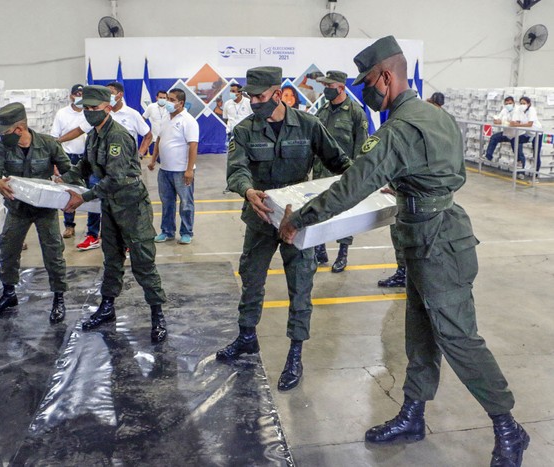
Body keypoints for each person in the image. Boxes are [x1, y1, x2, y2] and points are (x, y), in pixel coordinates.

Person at [278, 36, 528, 466]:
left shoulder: (397, 130)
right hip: (434, 235)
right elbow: (450, 175)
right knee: (420, 333)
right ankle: (413, 412)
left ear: (386, 77)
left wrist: (298, 218)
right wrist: (413, 187)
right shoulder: (436, 116)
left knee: (458, 338)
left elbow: (352, 187)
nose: (364, 91)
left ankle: (508, 426)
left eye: (367, 82)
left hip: (437, 245)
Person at [217, 66, 351, 392]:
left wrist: (370, 183)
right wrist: (248, 191)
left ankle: (295, 354)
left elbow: (340, 163)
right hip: (261, 220)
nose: (253, 103)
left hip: (298, 221)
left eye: (260, 97)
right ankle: (247, 337)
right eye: (250, 97)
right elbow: (236, 171)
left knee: (301, 287)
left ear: (278, 94)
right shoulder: (244, 130)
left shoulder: (309, 125)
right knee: (251, 278)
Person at [62, 85, 167, 343]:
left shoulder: (117, 136)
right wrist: (63, 180)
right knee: (112, 259)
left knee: (143, 263)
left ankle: (157, 315)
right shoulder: (94, 135)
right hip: (110, 206)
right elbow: (85, 165)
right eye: (85, 108)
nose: (88, 113)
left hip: (132, 208)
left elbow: (117, 178)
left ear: (107, 108)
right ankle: (107, 307)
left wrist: (82, 198)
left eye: (93, 108)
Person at [0, 102, 85, 323]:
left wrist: (71, 186)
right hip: (18, 209)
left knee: (53, 252)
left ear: (19, 129)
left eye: (7, 131)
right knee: (9, 248)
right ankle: (9, 293)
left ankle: (58, 297)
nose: (3, 136)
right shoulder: (1, 147)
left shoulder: (48, 144)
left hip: (45, 209)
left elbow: (68, 169)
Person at [312, 70, 369, 273]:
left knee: (344, 214)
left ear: (341, 88)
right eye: (325, 86)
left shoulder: (355, 113)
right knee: (318, 211)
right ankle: (320, 250)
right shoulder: (322, 112)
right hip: (320, 173)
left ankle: (342, 253)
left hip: (342, 174)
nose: (326, 90)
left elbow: (361, 147)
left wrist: (354, 175)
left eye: (329, 87)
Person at [147, 88, 199, 245]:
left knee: (186, 203)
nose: (167, 102)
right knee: (167, 202)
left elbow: (193, 146)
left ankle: (186, 232)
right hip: (165, 170)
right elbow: (159, 140)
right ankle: (167, 231)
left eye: (171, 99)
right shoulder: (165, 118)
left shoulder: (188, 121)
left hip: (182, 171)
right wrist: (153, 159)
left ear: (180, 103)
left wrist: (189, 170)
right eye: (167, 99)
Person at [50, 84, 97, 246]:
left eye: (82, 94)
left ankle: (93, 230)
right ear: (71, 96)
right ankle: (69, 226)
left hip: (88, 158)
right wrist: (55, 162)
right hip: (67, 157)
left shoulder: (89, 113)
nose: (79, 97)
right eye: (77, 94)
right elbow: (55, 138)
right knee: (68, 191)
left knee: (91, 190)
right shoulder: (62, 114)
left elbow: (84, 131)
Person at [107, 81, 153, 157]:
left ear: (120, 94)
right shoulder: (103, 113)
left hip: (127, 160)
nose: (107, 96)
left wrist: (140, 154)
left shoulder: (133, 114)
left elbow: (148, 136)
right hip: (106, 161)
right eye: (105, 93)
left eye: (111, 93)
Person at [484, 96, 524, 162]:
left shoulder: (518, 110)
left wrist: (502, 122)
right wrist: (496, 120)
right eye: (506, 104)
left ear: (514, 102)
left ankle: (521, 169)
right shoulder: (505, 109)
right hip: (507, 133)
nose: (508, 105)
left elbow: (514, 123)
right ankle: (488, 156)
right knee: (494, 138)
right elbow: (498, 119)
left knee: (518, 153)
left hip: (517, 135)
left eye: (510, 103)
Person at [511, 96, 543, 175]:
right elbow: (516, 121)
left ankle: (536, 175)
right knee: (513, 140)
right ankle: (519, 161)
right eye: (521, 103)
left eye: (524, 103)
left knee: (536, 154)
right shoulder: (519, 110)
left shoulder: (532, 110)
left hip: (536, 134)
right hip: (528, 133)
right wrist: (515, 123)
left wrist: (518, 124)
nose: (522, 105)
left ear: (529, 104)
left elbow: (530, 124)